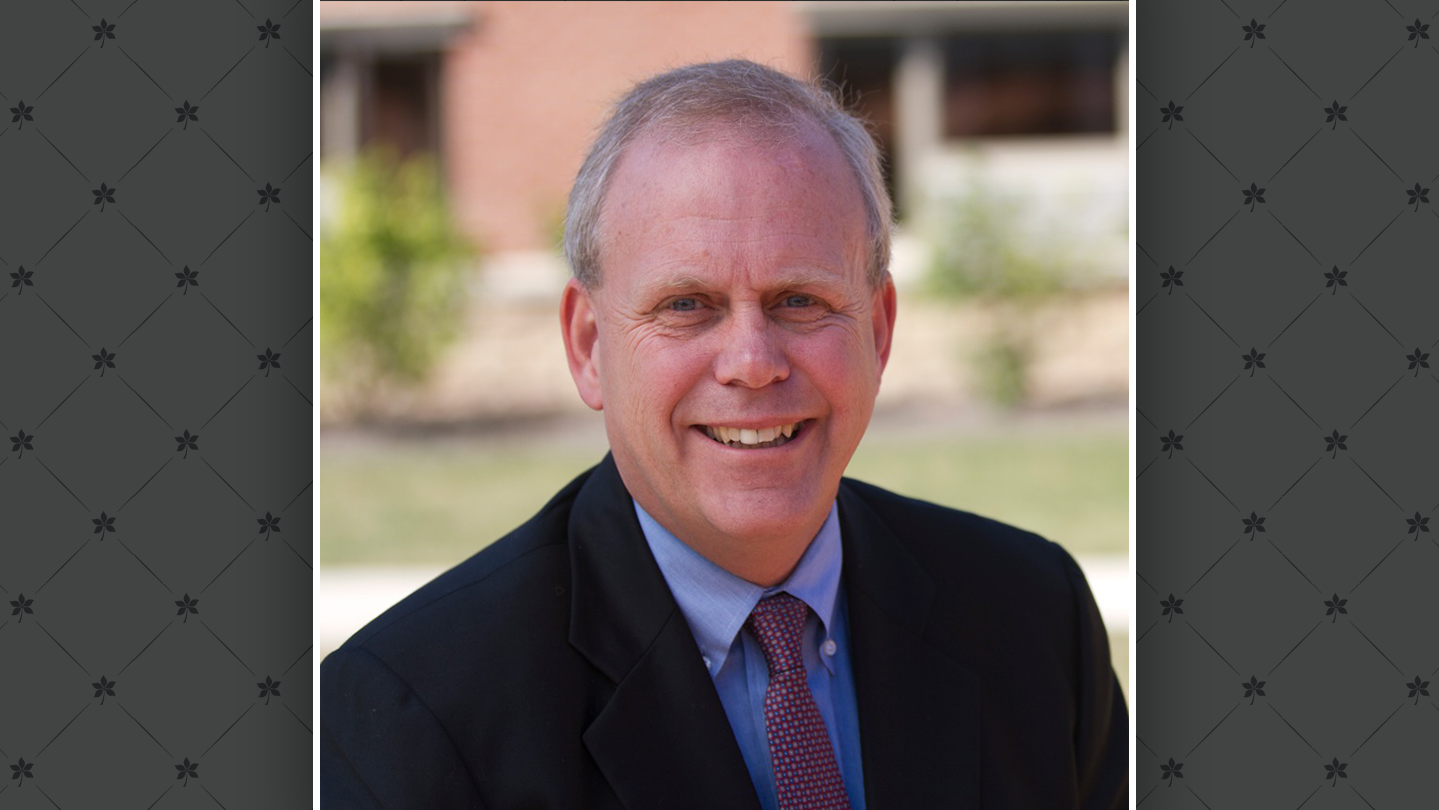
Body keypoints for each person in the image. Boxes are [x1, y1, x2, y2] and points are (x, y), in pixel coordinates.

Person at [321, 59, 1127, 809]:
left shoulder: (1033, 618)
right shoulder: (406, 715)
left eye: (799, 301)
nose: (751, 363)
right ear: (589, 346)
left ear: (877, 331)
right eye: (686, 306)